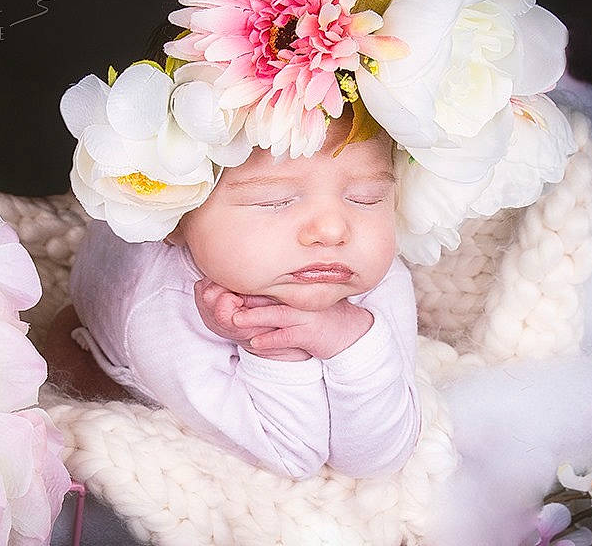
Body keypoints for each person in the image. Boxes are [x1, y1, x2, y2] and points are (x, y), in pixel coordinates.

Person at [48, 114, 421, 479]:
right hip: (108, 344)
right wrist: (276, 348)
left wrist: (353, 341)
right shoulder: (160, 313)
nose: (332, 229)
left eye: (365, 198)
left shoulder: (373, 272)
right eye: (274, 201)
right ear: (175, 220)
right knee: (65, 362)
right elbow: (293, 454)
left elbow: (377, 459)